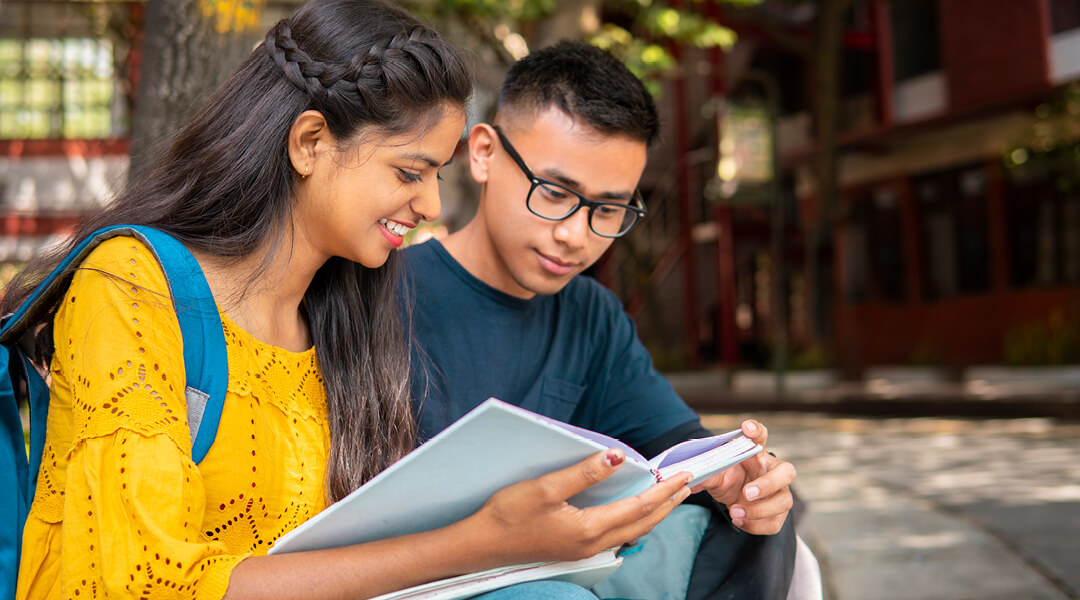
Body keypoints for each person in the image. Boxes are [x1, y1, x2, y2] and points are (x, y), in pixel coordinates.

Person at [9, 3, 698, 599]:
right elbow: (150, 585)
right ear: (310, 142)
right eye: (409, 171)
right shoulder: (131, 287)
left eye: (436, 175)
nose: (429, 204)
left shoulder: (345, 311)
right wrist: (476, 541)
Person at [404, 41, 803, 599]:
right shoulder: (383, 293)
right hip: (419, 578)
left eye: (609, 210)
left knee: (767, 522)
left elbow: (680, 445)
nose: (576, 235)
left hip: (557, 563)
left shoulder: (590, 315)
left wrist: (742, 476)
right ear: (484, 154)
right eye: (554, 192)